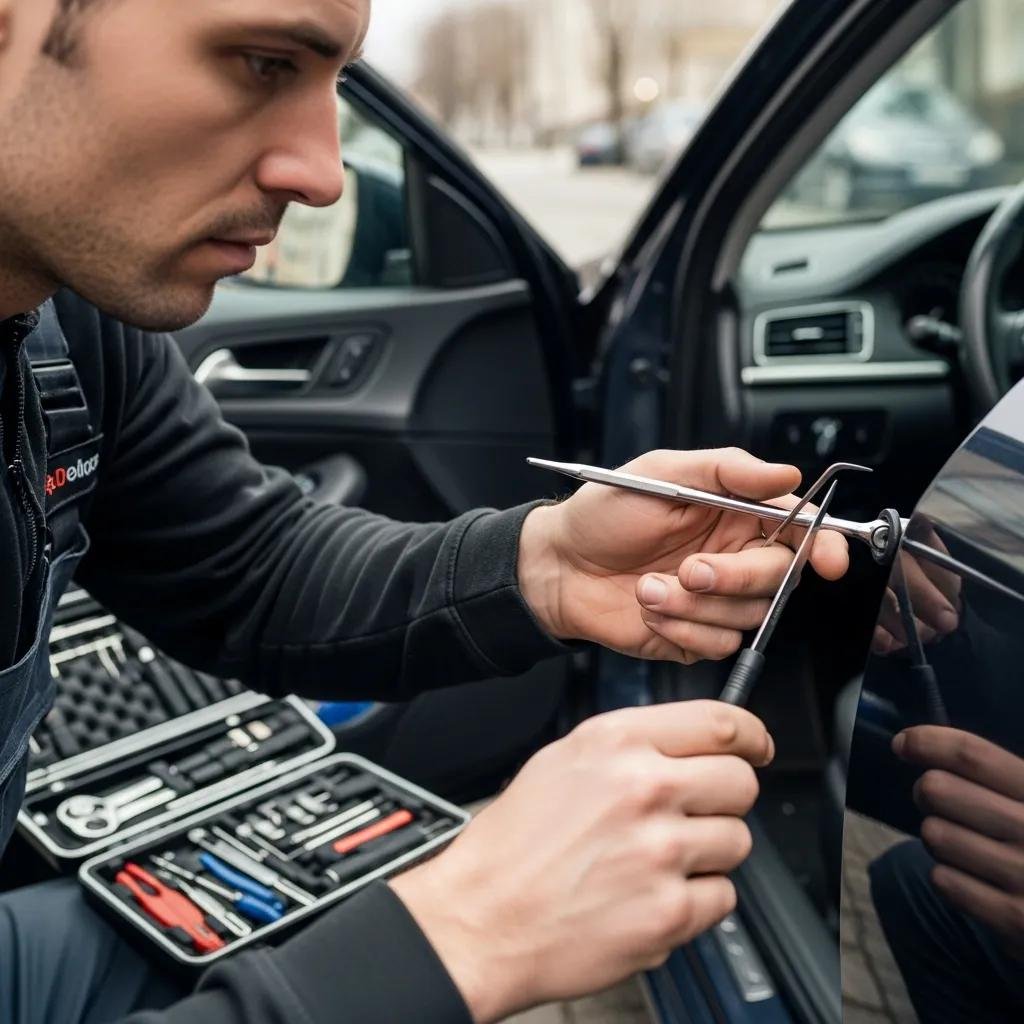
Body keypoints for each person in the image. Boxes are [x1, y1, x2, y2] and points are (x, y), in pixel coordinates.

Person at [0, 1, 850, 1022]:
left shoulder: (61, 327)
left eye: (338, 87)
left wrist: (543, 564)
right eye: (264, 63)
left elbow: (250, 564)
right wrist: (457, 938)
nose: (323, 174)